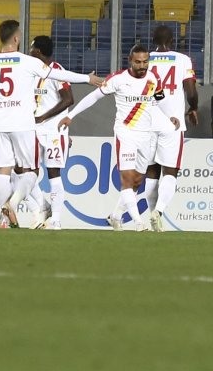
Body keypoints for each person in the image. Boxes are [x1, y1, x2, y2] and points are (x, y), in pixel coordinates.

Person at [0, 20, 102, 229]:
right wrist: (86, 78)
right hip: (24, 125)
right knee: (30, 171)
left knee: (4, 172)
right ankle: (12, 207)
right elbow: (60, 74)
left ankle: (5, 216)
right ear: (16, 38)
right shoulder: (26, 62)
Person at [59, 44, 179, 232]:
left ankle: (115, 216)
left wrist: (171, 115)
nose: (142, 66)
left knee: (138, 181)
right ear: (130, 61)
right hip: (125, 134)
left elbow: (161, 98)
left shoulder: (153, 78)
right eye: (138, 62)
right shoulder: (118, 79)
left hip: (145, 135)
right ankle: (139, 224)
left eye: (145, 62)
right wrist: (71, 116)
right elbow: (94, 97)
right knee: (127, 180)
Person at [142, 25, 198, 232]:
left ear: (153, 40)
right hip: (173, 123)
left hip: (148, 121)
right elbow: (190, 88)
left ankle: (150, 217)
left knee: (151, 171)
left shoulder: (144, 59)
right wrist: (193, 107)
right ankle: (159, 211)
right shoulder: (182, 59)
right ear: (173, 40)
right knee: (170, 171)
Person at [20, 35, 74, 230]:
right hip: (32, 130)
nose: (29, 51)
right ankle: (43, 206)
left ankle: (56, 219)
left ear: (39, 52)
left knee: (54, 173)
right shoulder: (31, 72)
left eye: (32, 48)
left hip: (53, 131)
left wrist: (44, 117)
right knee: (25, 171)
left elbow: (68, 99)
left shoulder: (57, 71)